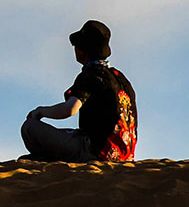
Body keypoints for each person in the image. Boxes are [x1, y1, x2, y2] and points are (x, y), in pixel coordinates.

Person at [21, 20, 137, 162]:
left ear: (84, 50)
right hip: (125, 155)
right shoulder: (121, 79)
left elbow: (70, 109)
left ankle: (48, 160)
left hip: (94, 151)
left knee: (29, 128)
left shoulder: (92, 74)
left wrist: (39, 111)